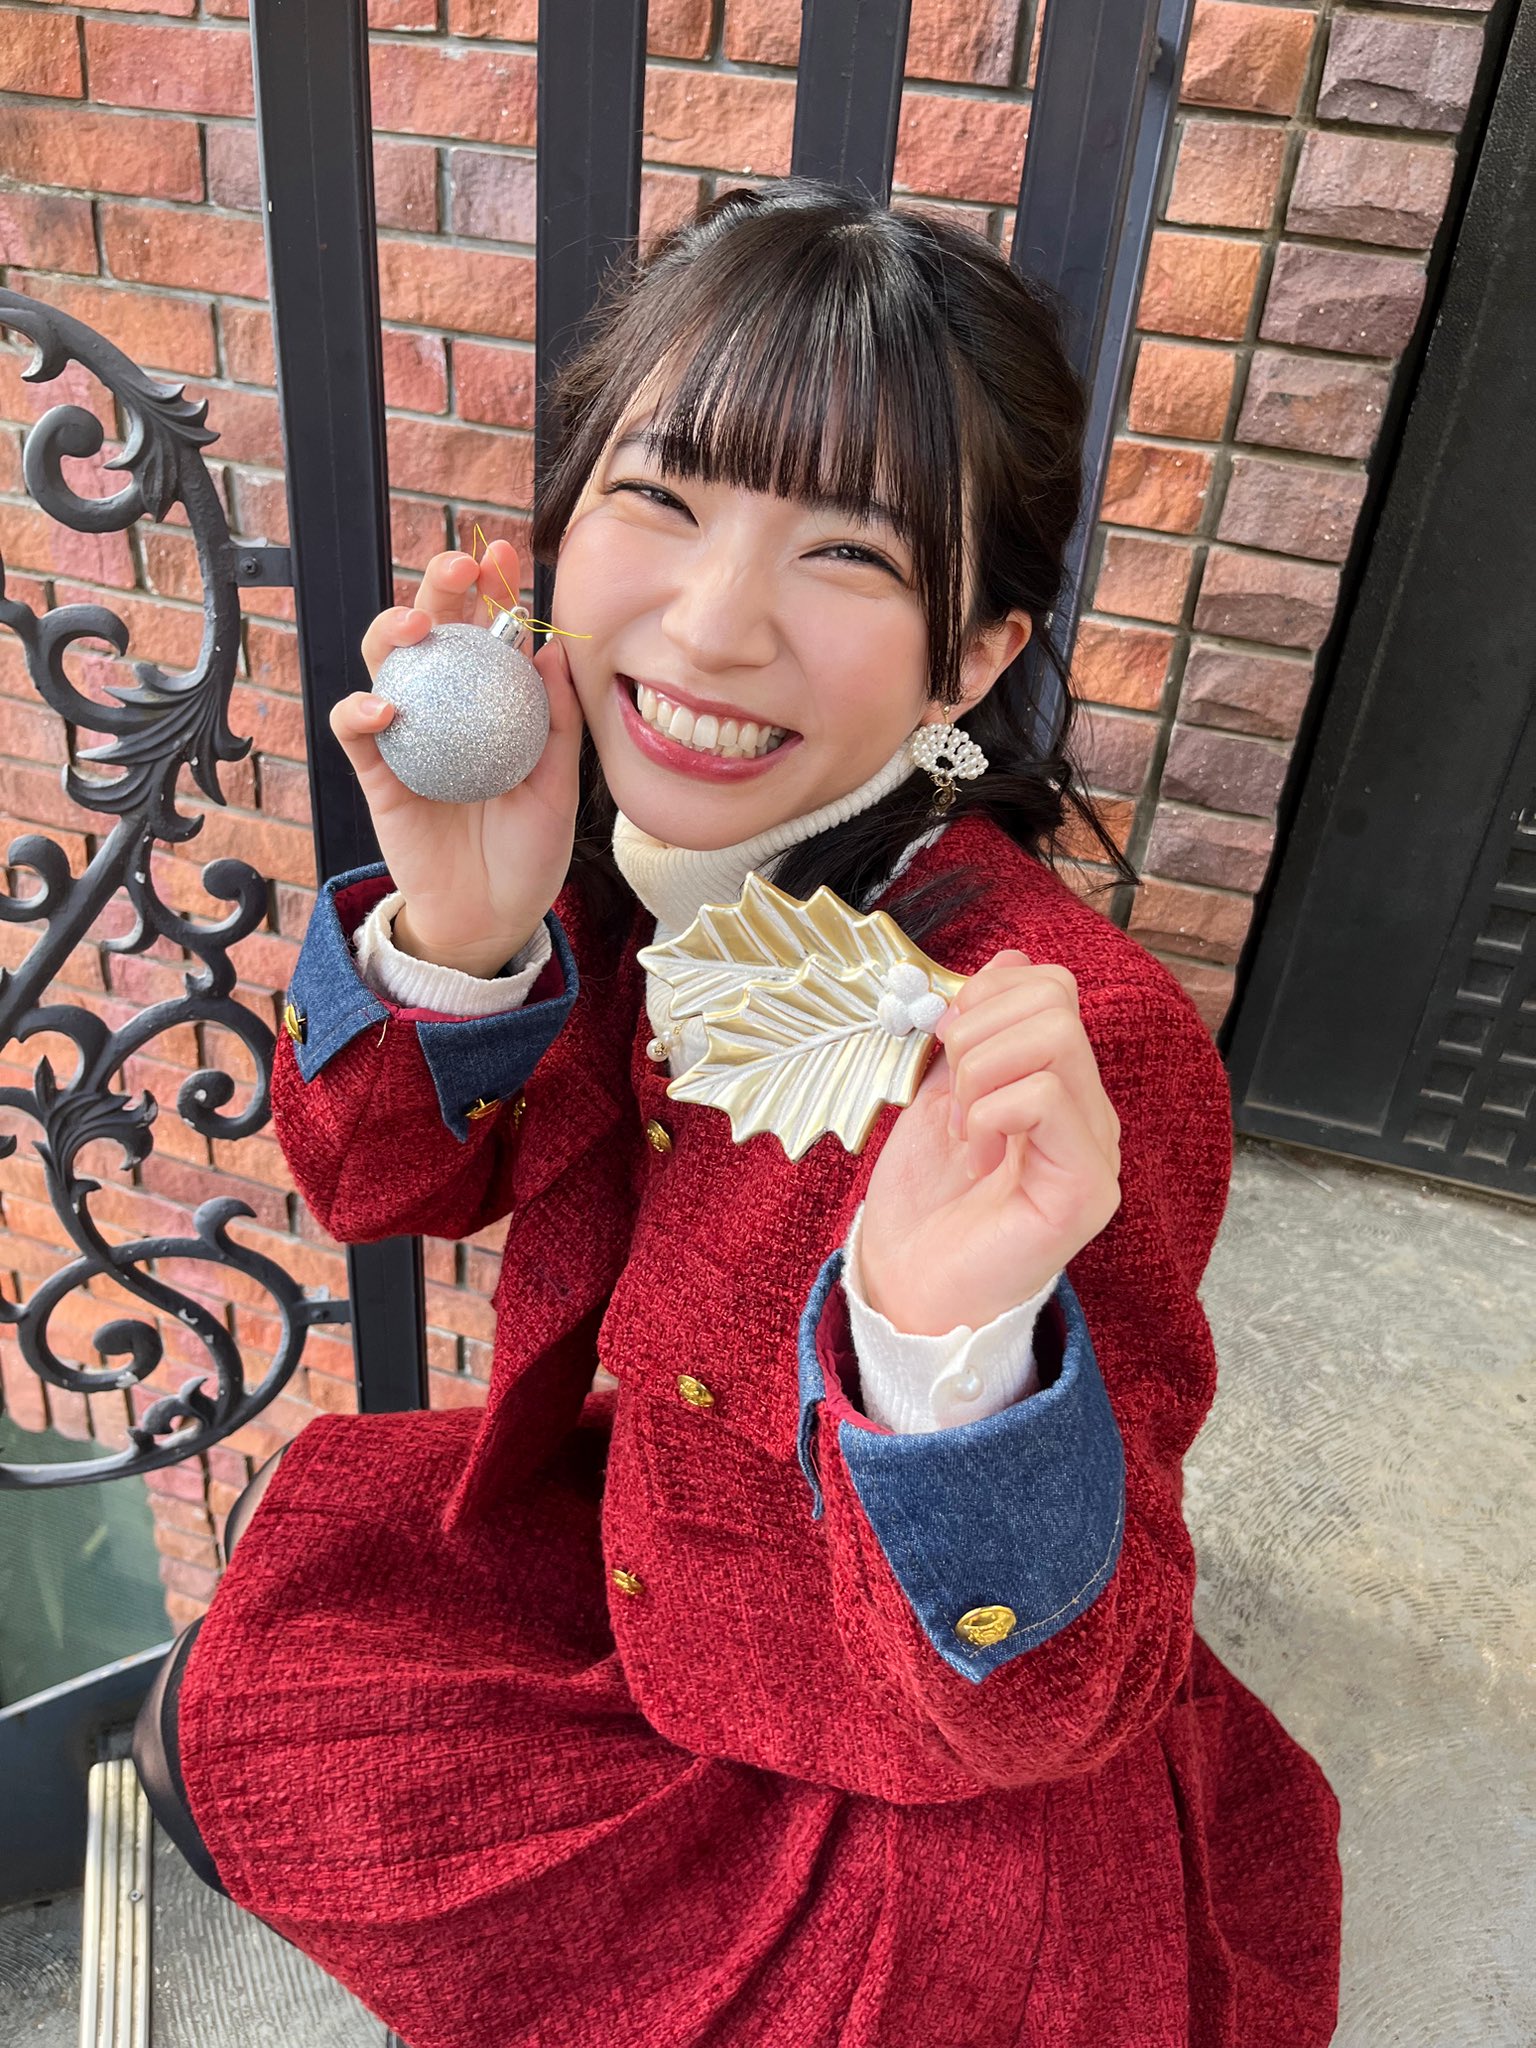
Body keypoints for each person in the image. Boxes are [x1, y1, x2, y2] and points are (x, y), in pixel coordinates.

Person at [136, 178, 1343, 2047]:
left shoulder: (1052, 1046)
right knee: (231, 1725)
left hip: (908, 1787)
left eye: (847, 552)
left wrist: (944, 1357)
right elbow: (378, 1187)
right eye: (663, 497)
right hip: (647, 1577)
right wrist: (463, 934)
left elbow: (1054, 1696)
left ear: (974, 658)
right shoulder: (628, 859)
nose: (708, 630)